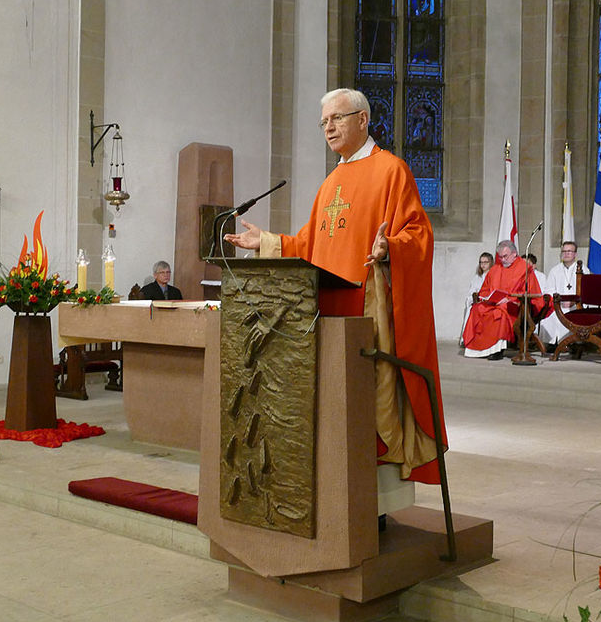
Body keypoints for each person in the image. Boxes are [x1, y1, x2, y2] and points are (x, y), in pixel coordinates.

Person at [224, 88, 445, 485]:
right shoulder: (332, 182)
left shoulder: (391, 170)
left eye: (337, 118)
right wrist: (269, 242)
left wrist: (390, 247)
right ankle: (337, 484)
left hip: (367, 309)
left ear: (363, 120)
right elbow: (309, 244)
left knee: (370, 397)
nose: (329, 127)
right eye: (324, 121)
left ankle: (375, 490)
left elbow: (419, 234)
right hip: (325, 311)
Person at [462, 240, 543, 360]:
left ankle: (497, 349)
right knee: (476, 309)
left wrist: (510, 299)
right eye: (500, 257)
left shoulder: (525, 268)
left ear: (514, 254)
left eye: (505, 256)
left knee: (499, 312)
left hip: (514, 306)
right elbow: (485, 290)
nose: (503, 260)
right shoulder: (495, 269)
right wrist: (489, 297)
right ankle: (475, 349)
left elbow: (531, 292)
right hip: (494, 303)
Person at [540, 241, 589, 347]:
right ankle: (553, 343)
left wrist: (573, 301)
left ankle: (575, 344)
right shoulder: (555, 270)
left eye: (569, 251)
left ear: (575, 254)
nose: (566, 253)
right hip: (558, 305)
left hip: (575, 305)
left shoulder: (583, 269)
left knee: (575, 313)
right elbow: (548, 290)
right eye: (564, 251)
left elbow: (587, 290)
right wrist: (558, 301)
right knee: (550, 316)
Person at [459, 252, 493, 345]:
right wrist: (473, 298)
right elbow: (471, 292)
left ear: (491, 263)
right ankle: (468, 339)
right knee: (471, 309)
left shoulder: (493, 276)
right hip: (478, 301)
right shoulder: (477, 277)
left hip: (489, 303)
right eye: (481, 262)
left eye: (486, 262)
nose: (483, 265)